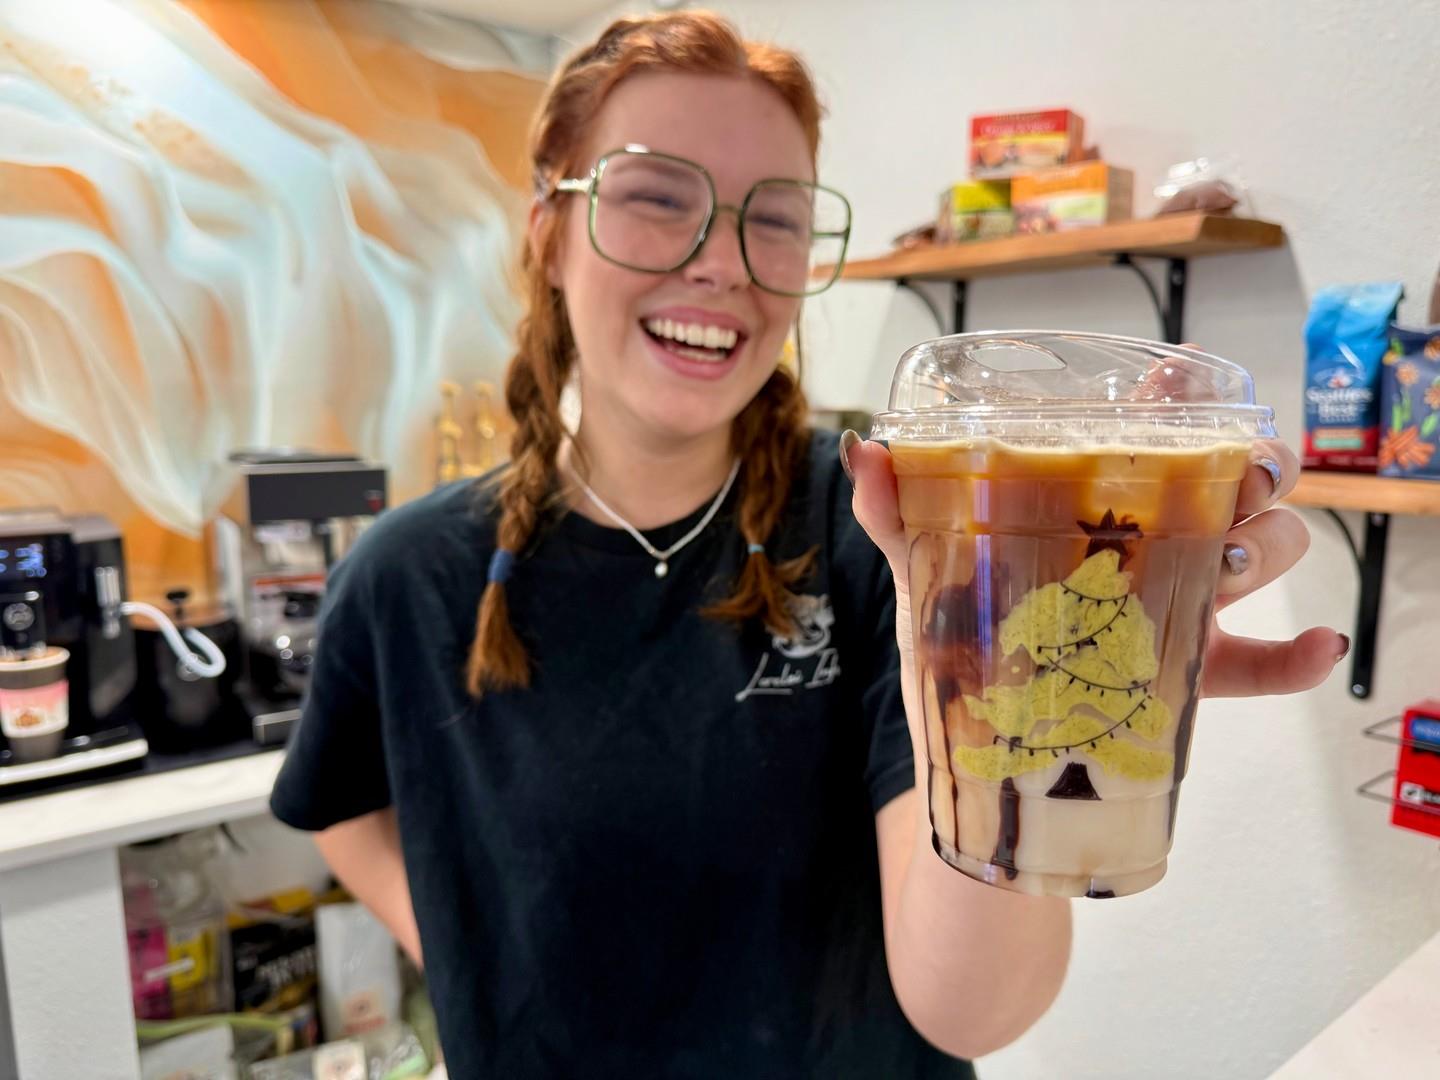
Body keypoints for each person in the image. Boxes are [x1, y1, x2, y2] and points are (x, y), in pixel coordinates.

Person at [269, 10, 1345, 1077]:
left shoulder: (892, 526)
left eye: (773, 217)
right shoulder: (407, 577)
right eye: (655, 197)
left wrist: (1022, 683)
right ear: (548, 226)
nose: (723, 263)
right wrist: (470, 946)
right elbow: (337, 804)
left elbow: (972, 1011)